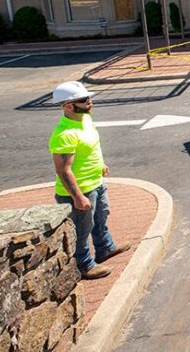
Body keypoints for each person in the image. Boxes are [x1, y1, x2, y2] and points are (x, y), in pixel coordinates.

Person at [49, 81, 130, 279]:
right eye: (84, 100)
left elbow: (92, 147)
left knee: (101, 218)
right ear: (68, 106)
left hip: (96, 182)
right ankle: (84, 265)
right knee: (82, 231)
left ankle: (105, 248)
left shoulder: (85, 120)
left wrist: (101, 164)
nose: (89, 102)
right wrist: (77, 197)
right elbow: (63, 170)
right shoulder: (64, 135)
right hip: (81, 190)